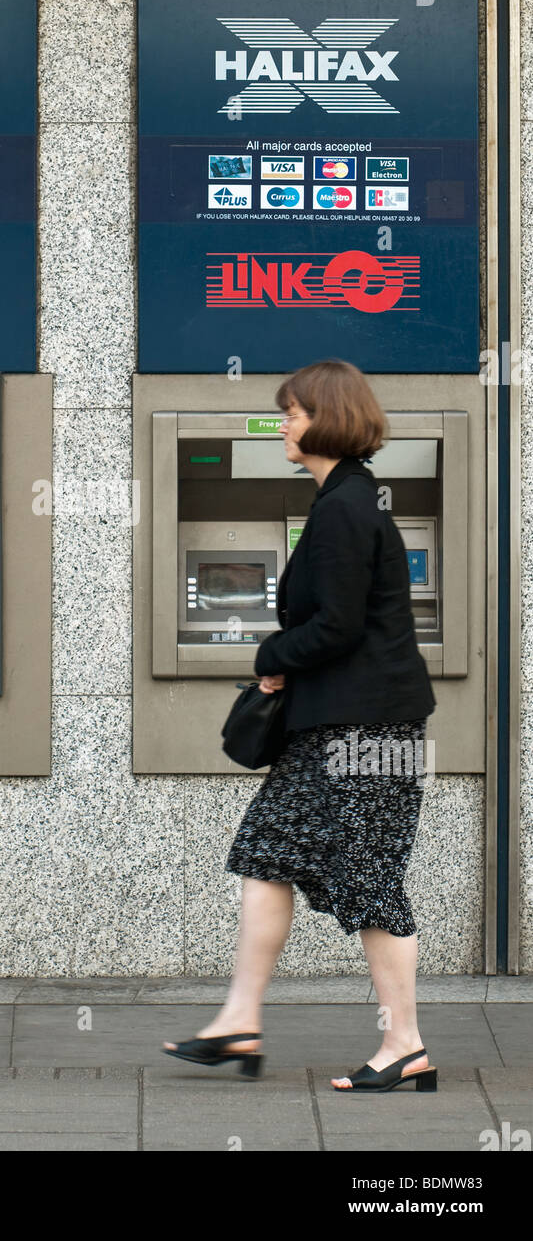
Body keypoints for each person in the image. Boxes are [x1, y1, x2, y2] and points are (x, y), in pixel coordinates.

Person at [162, 359, 438, 1094]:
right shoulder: (340, 502)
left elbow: (339, 625)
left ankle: (403, 1043)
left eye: (289, 412)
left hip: (368, 730)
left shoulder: (346, 507)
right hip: (333, 728)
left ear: (325, 416)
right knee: (264, 854)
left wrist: (269, 655)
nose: (282, 423)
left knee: (372, 881)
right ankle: (238, 1020)